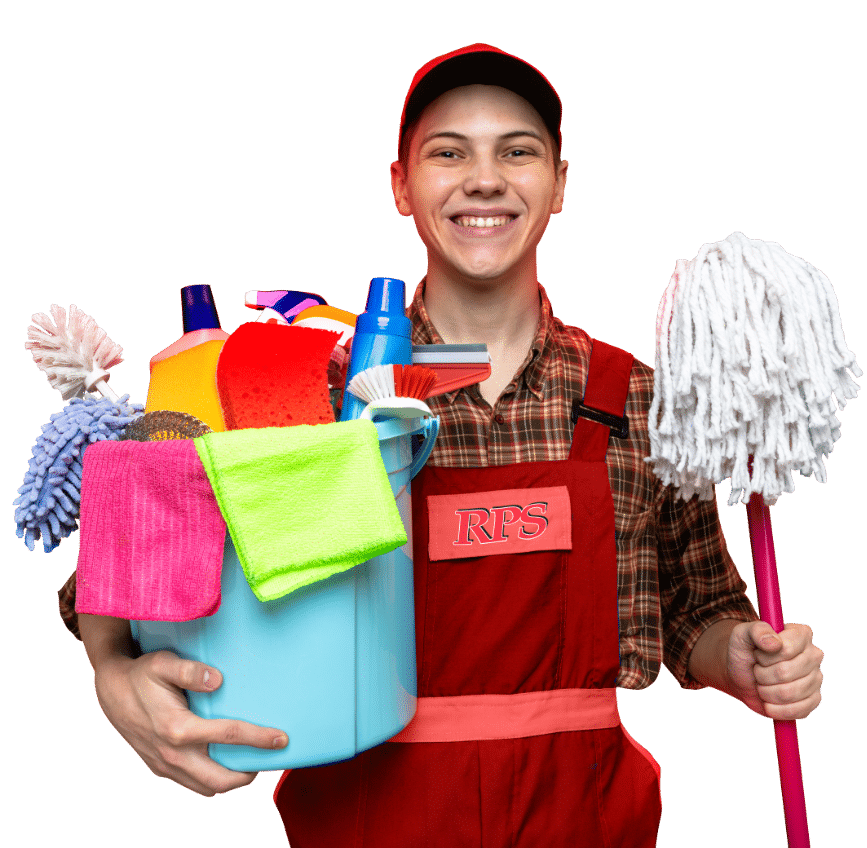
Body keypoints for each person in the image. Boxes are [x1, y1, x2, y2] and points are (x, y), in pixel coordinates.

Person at [59, 43, 824, 846]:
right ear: (401, 185)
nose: (484, 178)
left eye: (517, 151)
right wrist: (115, 675)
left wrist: (738, 656)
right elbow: (126, 567)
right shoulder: (316, 397)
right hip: (367, 816)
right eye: (448, 153)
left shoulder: (634, 398)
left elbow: (693, 608)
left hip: (587, 820)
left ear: (559, 184)